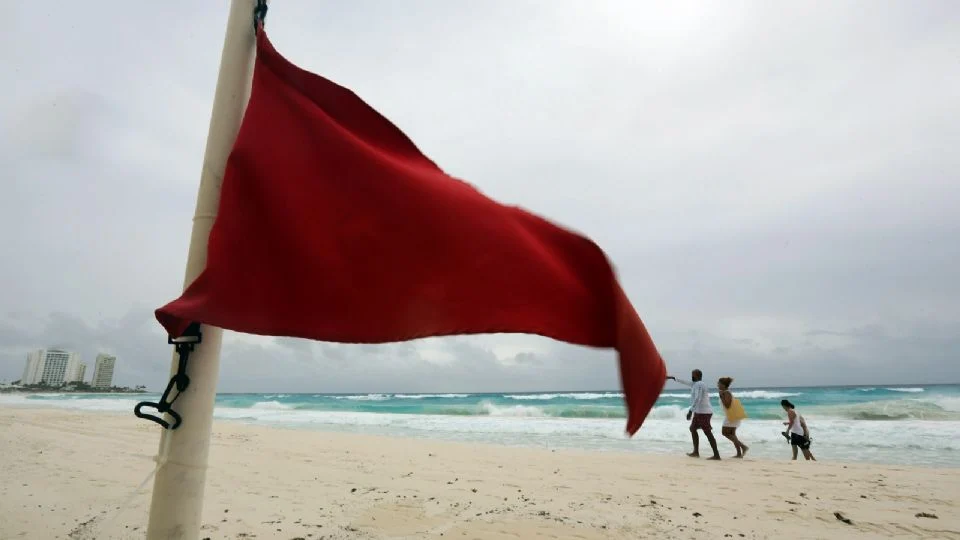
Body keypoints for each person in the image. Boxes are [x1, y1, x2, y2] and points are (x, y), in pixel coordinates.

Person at [667, 369, 721, 460]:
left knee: (707, 432)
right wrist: (673, 378)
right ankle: (696, 452)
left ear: (697, 375)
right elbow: (685, 382)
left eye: (692, 375)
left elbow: (698, 398)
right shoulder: (695, 384)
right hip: (699, 412)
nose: (691, 376)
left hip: (704, 412)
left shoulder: (700, 384)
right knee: (692, 428)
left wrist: (690, 411)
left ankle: (716, 455)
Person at [717, 377, 749, 458]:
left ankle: (743, 447)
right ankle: (739, 454)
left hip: (730, 416)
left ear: (723, 385)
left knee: (725, 432)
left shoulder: (726, 393)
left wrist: (721, 396)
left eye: (719, 383)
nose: (717, 385)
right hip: (733, 415)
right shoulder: (725, 392)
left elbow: (727, 405)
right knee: (732, 434)